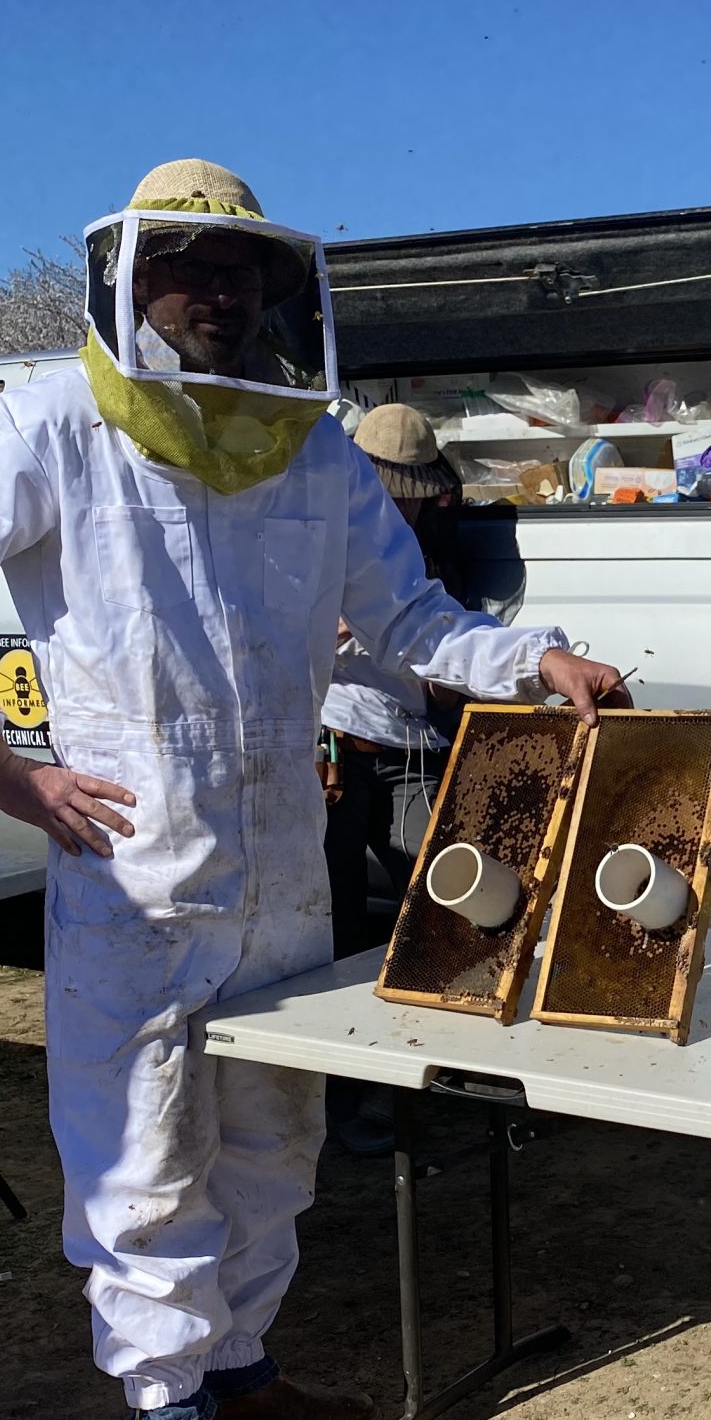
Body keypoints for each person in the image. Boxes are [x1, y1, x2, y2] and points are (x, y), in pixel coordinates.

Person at [0, 160, 629, 1420]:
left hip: (281, 863)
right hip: (134, 869)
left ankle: (243, 1372)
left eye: (239, 270)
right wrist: (2, 765)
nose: (216, 292)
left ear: (274, 290)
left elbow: (408, 619)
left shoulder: (312, 447)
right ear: (128, 282)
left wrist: (535, 656)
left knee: (272, 1137)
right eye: (186, 267)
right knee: (141, 1146)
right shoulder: (50, 422)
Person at [317, 402, 464, 1156]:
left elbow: (431, 648)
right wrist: (330, 627)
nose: (404, 499)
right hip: (341, 747)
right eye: (394, 484)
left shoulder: (424, 548)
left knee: (444, 899)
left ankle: (427, 1072)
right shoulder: (326, 530)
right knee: (339, 923)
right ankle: (340, 1103)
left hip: (412, 745)